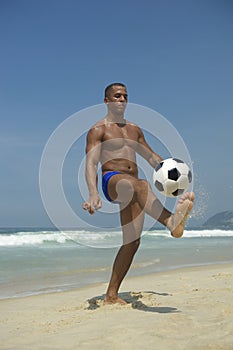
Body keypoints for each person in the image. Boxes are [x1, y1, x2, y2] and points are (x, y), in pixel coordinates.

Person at [82, 83, 195, 304]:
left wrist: (171, 173)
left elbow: (151, 157)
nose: (121, 99)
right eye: (116, 96)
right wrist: (93, 193)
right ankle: (170, 221)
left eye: (125, 96)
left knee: (132, 242)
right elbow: (91, 163)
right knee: (142, 185)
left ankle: (111, 295)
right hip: (112, 181)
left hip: (132, 186)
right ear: (106, 101)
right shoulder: (98, 130)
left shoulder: (134, 129)